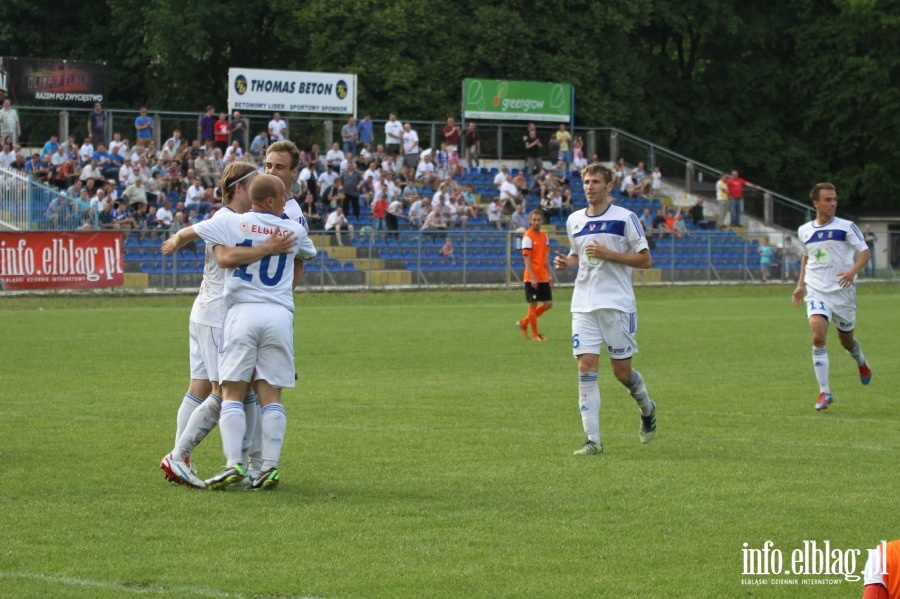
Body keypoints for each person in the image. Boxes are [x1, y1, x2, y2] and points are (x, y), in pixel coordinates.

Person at [159, 162, 298, 489]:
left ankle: (227, 463)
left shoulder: (241, 222)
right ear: (238, 188)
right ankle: (182, 456)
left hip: (213, 313)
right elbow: (221, 257)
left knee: (206, 388)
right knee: (228, 393)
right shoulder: (227, 220)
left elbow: (188, 234)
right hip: (219, 314)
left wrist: (178, 238)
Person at [552, 163, 657, 455]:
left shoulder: (625, 218)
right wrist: (566, 263)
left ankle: (647, 409)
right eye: (586, 181)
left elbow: (645, 260)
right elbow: (579, 256)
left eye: (595, 181)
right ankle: (593, 440)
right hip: (583, 305)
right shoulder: (574, 220)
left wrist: (609, 253)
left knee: (622, 373)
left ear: (608, 186)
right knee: (585, 366)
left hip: (616, 304)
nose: (589, 186)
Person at [791, 182, 872, 411]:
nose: (833, 203)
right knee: (817, 337)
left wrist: (852, 271)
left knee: (846, 341)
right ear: (816, 203)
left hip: (843, 293)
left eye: (835, 199)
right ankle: (824, 392)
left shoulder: (847, 227)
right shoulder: (804, 230)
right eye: (828, 200)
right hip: (816, 290)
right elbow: (807, 257)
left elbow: (865, 252)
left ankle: (861, 362)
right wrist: (800, 285)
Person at [516, 209, 553, 341]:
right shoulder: (527, 237)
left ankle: (524, 323)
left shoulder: (544, 237)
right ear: (530, 221)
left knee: (548, 304)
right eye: (534, 220)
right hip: (532, 277)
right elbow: (527, 259)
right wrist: (532, 277)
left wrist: (549, 274)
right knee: (533, 304)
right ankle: (536, 334)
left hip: (543, 276)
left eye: (539, 220)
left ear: (542, 221)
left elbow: (545, 257)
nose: (536, 222)